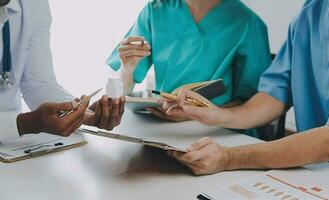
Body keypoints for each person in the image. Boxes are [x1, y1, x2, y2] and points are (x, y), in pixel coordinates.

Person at [164, 0, 329, 175]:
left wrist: (229, 158)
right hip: (311, 171)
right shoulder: (313, 12)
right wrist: (217, 114)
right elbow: (275, 96)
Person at [107, 0, 271, 122]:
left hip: (220, 131)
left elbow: (256, 103)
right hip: (162, 125)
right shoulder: (156, 10)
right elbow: (117, 93)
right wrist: (126, 68)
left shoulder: (247, 23)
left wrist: (200, 115)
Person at [0, 0, 124, 141]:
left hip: (11, 143)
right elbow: (28, 122)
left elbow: (38, 85)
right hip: (14, 133)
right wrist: (25, 123)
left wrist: (81, 114)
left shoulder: (33, 4)